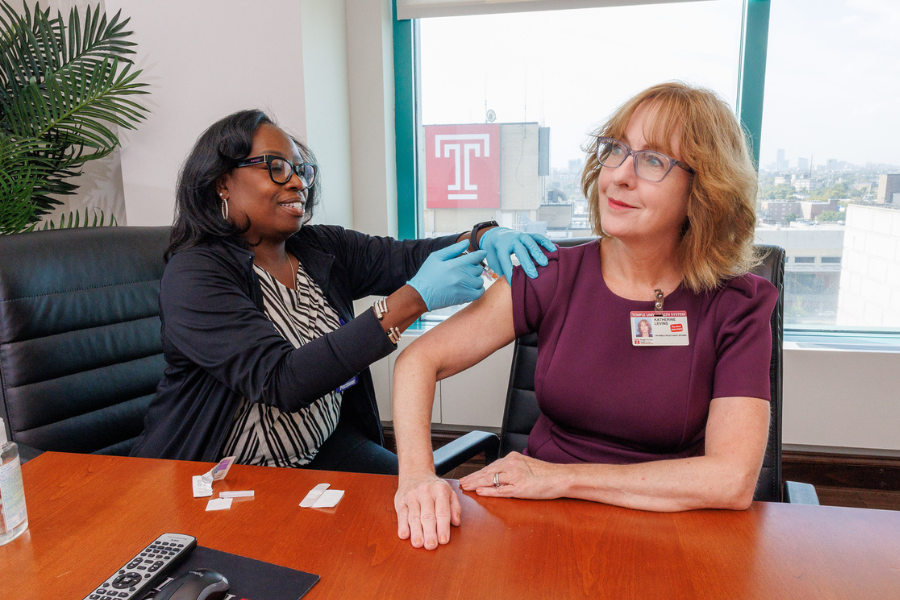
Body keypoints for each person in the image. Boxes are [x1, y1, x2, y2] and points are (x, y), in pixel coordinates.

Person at [391, 82, 778, 549]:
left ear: (705, 189)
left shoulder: (738, 303)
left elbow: (731, 481)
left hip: (672, 534)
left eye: (653, 161)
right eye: (616, 150)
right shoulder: (551, 272)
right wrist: (417, 475)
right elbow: (418, 361)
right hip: (543, 529)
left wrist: (563, 478)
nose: (620, 176)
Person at [130, 109, 555, 474]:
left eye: (301, 170)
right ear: (223, 181)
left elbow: (407, 257)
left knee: (422, 509)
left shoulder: (319, 247)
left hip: (323, 448)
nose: (297, 183)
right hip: (220, 472)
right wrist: (412, 300)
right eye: (276, 167)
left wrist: (483, 236)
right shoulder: (195, 275)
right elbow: (282, 381)